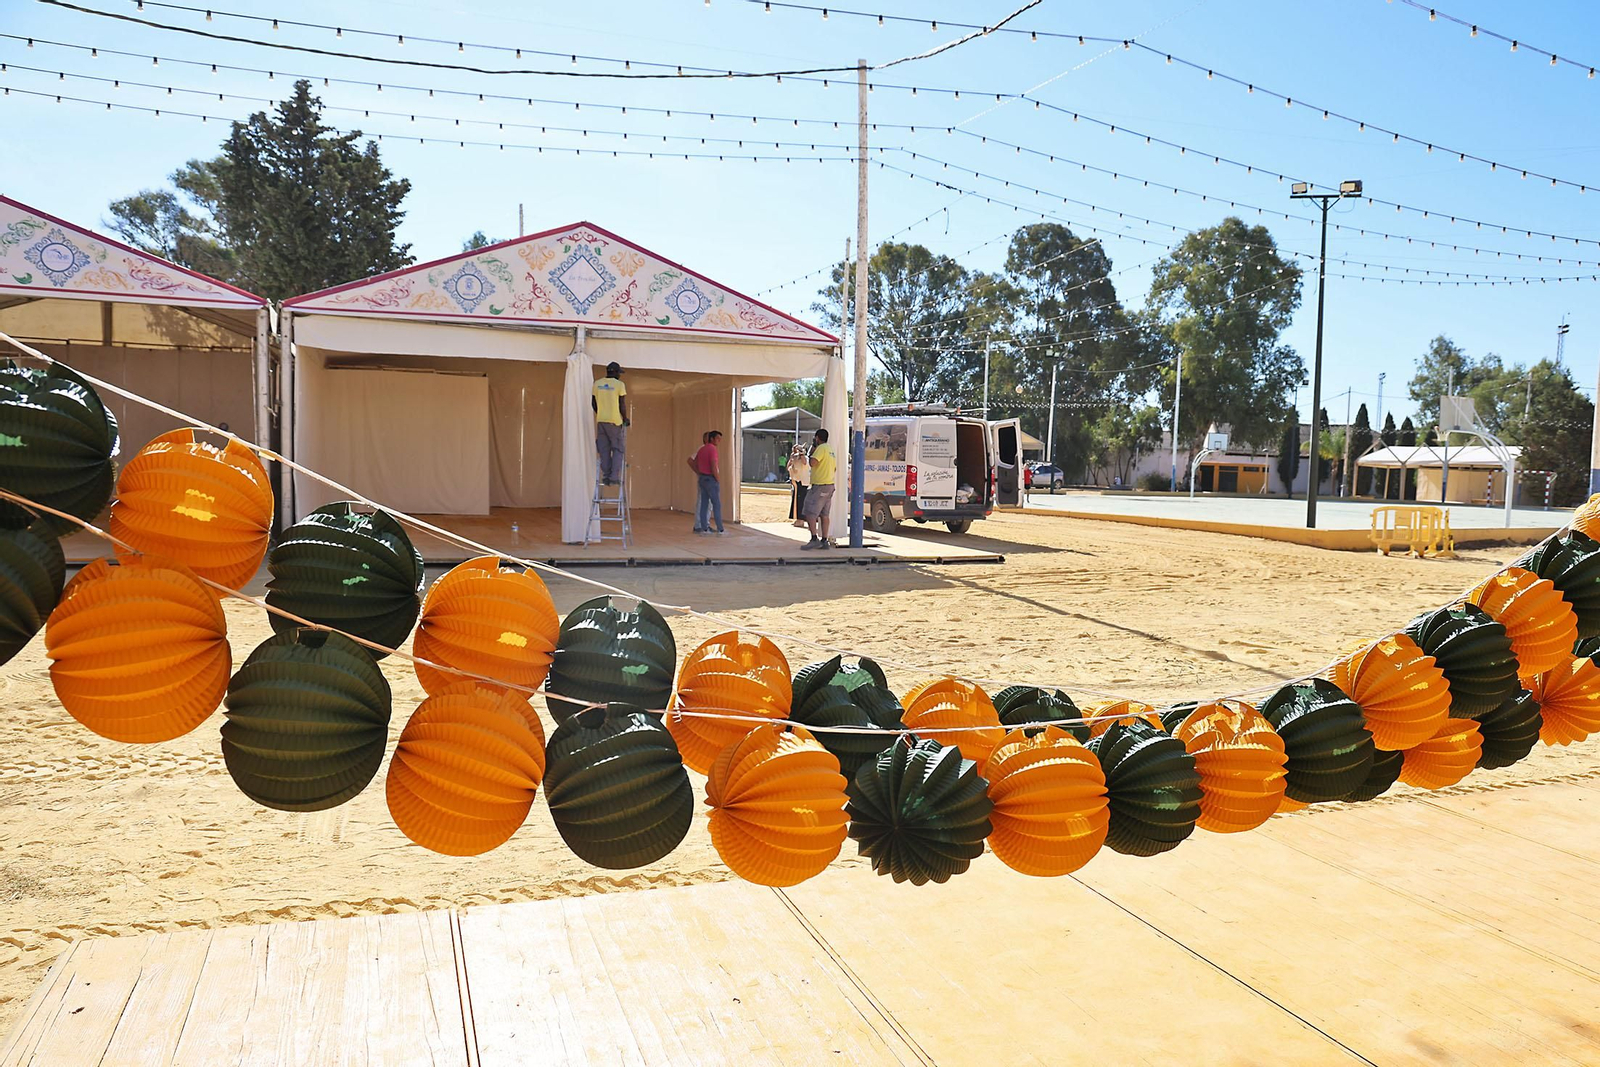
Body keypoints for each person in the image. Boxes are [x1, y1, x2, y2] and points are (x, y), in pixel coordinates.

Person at [592, 362, 628, 485]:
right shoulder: (619, 385)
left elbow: (593, 403)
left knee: (604, 449)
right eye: (619, 373)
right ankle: (613, 477)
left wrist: (601, 412)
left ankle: (606, 476)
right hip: (615, 422)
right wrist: (625, 418)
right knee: (618, 449)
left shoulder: (597, 384)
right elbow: (621, 404)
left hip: (601, 421)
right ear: (616, 373)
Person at [687, 429, 726, 534]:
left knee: (704, 503)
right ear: (710, 439)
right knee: (713, 504)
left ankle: (704, 526)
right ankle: (719, 528)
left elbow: (693, 461)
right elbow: (712, 465)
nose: (719, 441)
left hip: (703, 478)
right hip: (710, 478)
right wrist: (716, 478)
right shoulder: (709, 449)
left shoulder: (702, 449)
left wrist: (700, 473)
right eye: (717, 438)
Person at [801, 427, 835, 549]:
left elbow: (813, 463)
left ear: (817, 438)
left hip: (820, 486)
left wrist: (811, 451)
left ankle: (814, 538)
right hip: (829, 485)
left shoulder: (820, 449)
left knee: (810, 512)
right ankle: (824, 540)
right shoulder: (830, 449)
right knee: (824, 514)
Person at [786, 442, 811, 528]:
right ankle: (797, 518)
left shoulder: (806, 459)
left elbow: (804, 462)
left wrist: (801, 453)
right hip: (796, 482)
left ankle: (801, 520)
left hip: (803, 483)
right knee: (796, 501)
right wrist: (792, 456)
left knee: (801, 502)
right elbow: (788, 466)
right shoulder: (795, 459)